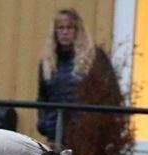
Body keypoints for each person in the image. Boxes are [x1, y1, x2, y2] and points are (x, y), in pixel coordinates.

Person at [36, 8, 119, 147]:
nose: (64, 32)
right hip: (54, 132)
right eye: (60, 28)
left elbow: (111, 92)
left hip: (85, 132)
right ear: (55, 32)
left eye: (69, 27)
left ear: (78, 30)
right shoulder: (47, 62)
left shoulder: (94, 57)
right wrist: (43, 124)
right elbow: (42, 97)